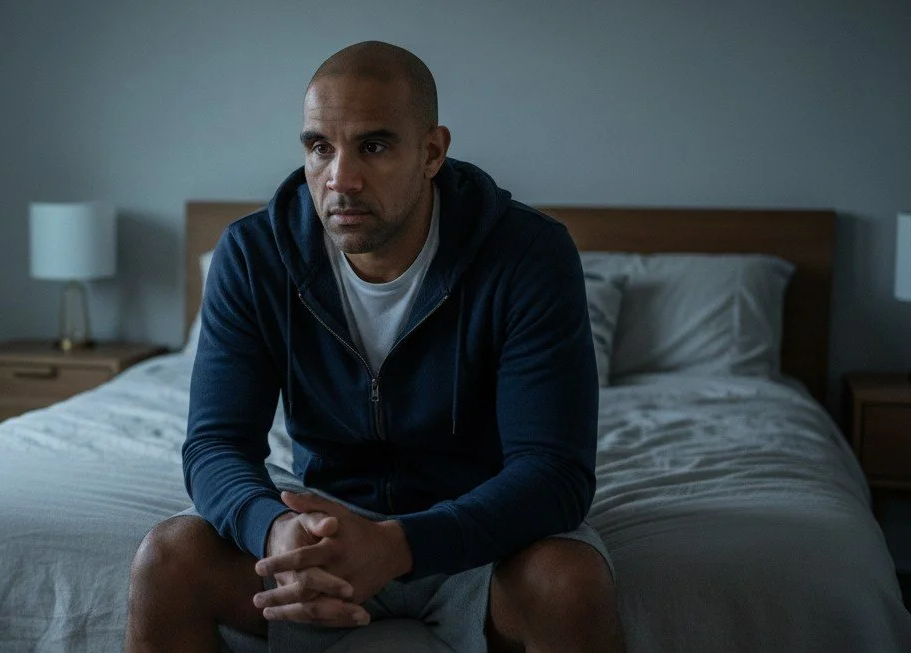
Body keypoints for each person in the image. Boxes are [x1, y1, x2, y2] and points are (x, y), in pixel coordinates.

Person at [124, 41, 625, 653]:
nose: (341, 179)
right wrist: (273, 528)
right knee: (167, 559)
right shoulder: (254, 256)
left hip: (480, 534)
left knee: (569, 585)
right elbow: (215, 445)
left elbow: (554, 472)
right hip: (321, 528)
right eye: (320, 147)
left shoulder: (527, 254)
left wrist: (397, 546)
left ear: (432, 152)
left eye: (375, 146)